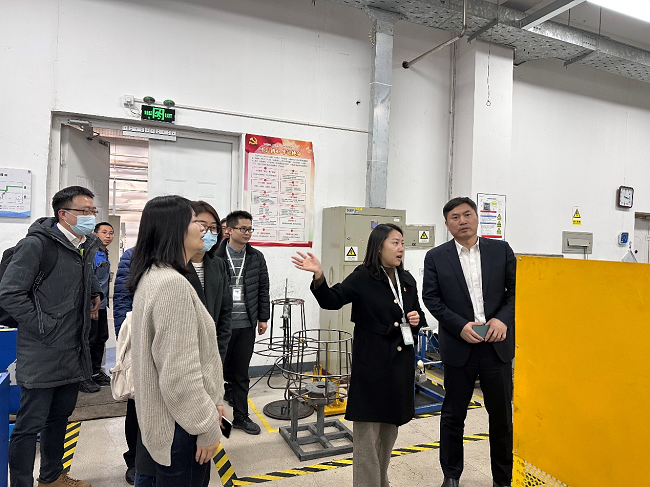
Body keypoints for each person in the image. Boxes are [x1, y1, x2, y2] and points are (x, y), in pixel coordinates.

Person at [292, 223, 426, 487]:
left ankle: (380, 481)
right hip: (372, 365)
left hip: (399, 367)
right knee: (367, 438)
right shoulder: (363, 277)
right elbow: (331, 300)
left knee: (388, 434)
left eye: (402, 243)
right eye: (395, 243)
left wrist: (416, 319)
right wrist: (319, 275)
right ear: (379, 246)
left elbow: (417, 314)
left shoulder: (407, 280)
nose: (401, 248)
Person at [0, 185, 103, 487]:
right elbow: (9, 293)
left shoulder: (85, 244)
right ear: (63, 214)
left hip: (72, 350)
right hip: (41, 351)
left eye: (92, 211)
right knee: (28, 426)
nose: (90, 216)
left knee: (59, 420)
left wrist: (95, 290)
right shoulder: (37, 245)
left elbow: (81, 275)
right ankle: (21, 483)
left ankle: (52, 477)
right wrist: (44, 325)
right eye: (84, 211)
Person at [127, 195, 225, 487]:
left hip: (167, 423)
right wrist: (206, 426)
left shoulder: (154, 275)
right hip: (182, 428)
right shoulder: (172, 285)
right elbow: (179, 376)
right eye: (196, 222)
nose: (203, 229)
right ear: (175, 229)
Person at [422, 197, 516, 487]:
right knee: (453, 416)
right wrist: (459, 326)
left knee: (501, 418)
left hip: (496, 346)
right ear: (447, 223)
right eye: (455, 217)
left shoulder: (501, 250)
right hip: (459, 346)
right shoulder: (436, 257)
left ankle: (503, 479)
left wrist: (502, 319)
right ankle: (451, 476)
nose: (462, 221)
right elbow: (431, 298)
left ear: (476, 218)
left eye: (466, 214)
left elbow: (517, 291)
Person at [215, 210, 269, 435]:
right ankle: (213, 420)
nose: (247, 233)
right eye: (243, 229)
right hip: (221, 327)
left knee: (241, 374)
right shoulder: (214, 256)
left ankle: (240, 417)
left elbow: (263, 288)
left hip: (246, 325)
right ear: (229, 230)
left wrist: (263, 317)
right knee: (215, 374)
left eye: (250, 229)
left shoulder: (256, 257)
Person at [188, 201, 233, 364]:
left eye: (213, 228)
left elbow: (225, 312)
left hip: (213, 351)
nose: (207, 232)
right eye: (202, 225)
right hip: (185, 353)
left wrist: (218, 353)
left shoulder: (218, 265)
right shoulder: (173, 267)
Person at [79, 221, 115, 393]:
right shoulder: (90, 253)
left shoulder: (104, 253)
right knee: (89, 340)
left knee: (101, 337)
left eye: (111, 233)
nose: (108, 236)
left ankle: (95, 372)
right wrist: (90, 304)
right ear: (95, 234)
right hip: (92, 305)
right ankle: (84, 376)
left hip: (102, 305)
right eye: (104, 232)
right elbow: (87, 280)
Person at [112, 246, 137, 484]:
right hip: (138, 341)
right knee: (136, 405)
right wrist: (125, 341)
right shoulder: (132, 256)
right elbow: (122, 301)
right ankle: (135, 460)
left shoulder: (180, 254)